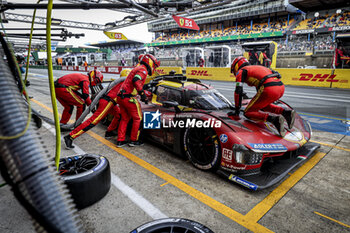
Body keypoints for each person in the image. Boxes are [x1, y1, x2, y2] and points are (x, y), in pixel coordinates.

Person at [63, 69, 131, 149]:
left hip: (109, 102)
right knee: (93, 121)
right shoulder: (125, 83)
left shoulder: (119, 82)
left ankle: (109, 132)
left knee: (118, 114)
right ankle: (70, 136)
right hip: (108, 102)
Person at [230, 56, 295, 137]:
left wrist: (237, 110)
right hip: (280, 87)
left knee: (248, 113)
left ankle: (274, 119)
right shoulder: (257, 67)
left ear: (236, 66)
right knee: (262, 106)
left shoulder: (241, 71)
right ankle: (286, 112)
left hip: (269, 88)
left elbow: (238, 92)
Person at [116, 54, 160, 147]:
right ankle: (134, 140)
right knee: (138, 118)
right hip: (129, 98)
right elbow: (136, 80)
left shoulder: (138, 67)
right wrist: (143, 95)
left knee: (124, 119)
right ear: (151, 62)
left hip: (121, 96)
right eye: (155, 66)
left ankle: (120, 140)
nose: (154, 68)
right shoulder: (143, 69)